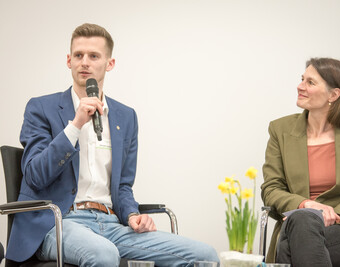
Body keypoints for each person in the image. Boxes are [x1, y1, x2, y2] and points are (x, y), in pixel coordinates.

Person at [6, 23, 219, 267]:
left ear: (110, 63)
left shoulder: (125, 117)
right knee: (104, 254)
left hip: (110, 223)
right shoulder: (41, 108)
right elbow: (34, 175)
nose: (84, 62)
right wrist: (75, 126)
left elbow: (124, 186)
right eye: (78, 55)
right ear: (69, 61)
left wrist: (132, 215)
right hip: (57, 223)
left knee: (205, 255)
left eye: (94, 56)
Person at [261, 58, 340, 267]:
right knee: (303, 219)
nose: (300, 86)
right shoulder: (280, 129)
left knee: (289, 249)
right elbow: (271, 188)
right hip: (299, 225)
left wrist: (333, 215)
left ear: (334, 94)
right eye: (302, 79)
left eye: (310, 82)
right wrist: (307, 205)